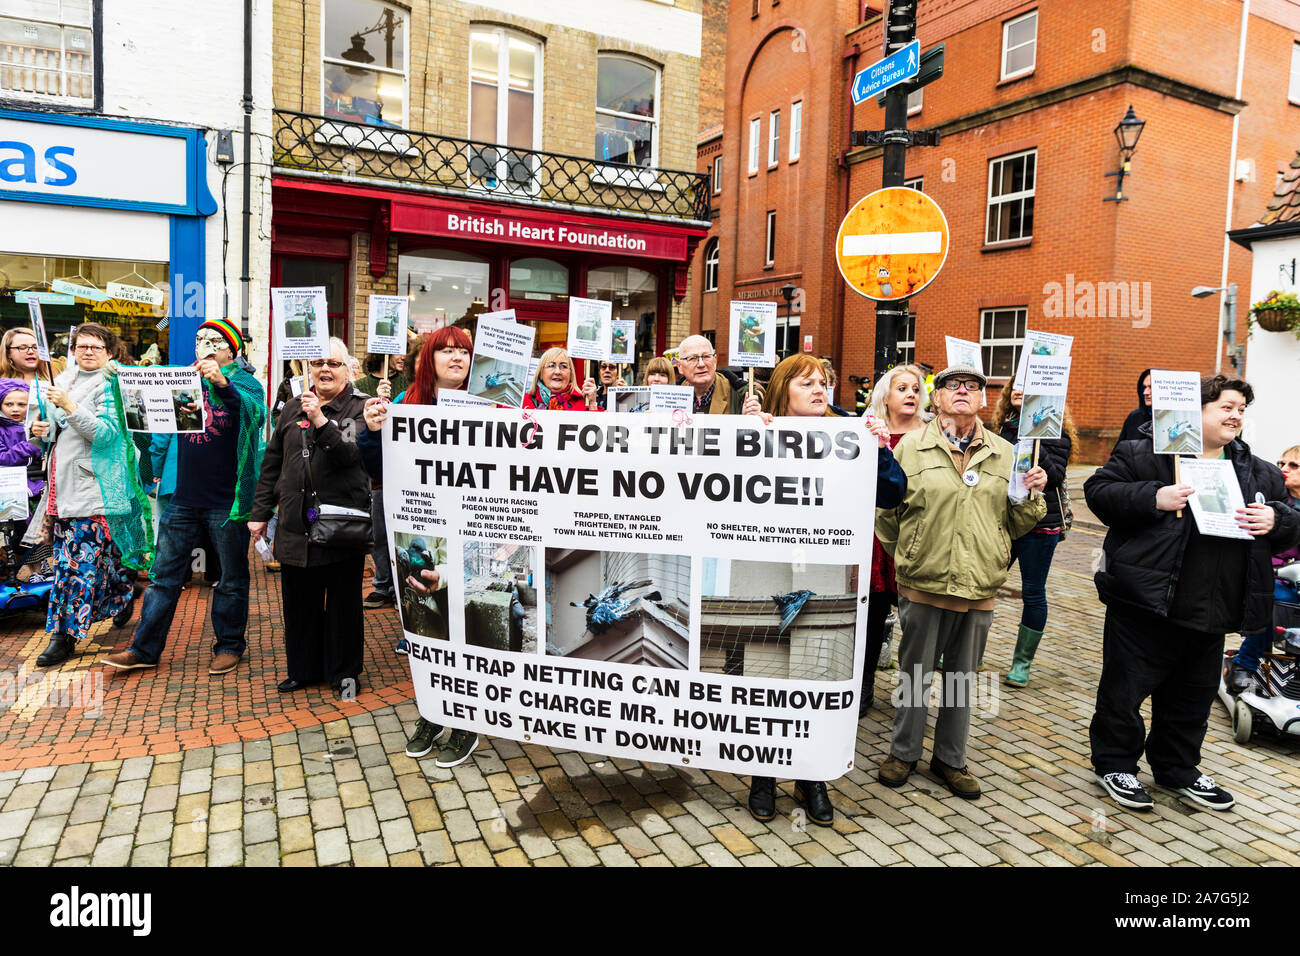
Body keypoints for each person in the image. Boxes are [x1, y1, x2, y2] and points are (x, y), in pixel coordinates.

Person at [1086, 375, 1300, 811]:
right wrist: (1154, 496)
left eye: (1241, 408)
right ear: (1196, 412)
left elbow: (1290, 521)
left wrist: (1276, 520)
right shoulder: (1145, 454)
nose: (1236, 415)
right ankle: (1116, 765)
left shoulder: (1257, 470)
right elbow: (1099, 492)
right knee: (1124, 694)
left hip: (1214, 609)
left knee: (1192, 700)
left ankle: (1178, 768)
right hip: (1146, 604)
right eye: (1226, 406)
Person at [740, 354, 907, 826]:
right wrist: (746, 435)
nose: (820, 389)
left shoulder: (852, 434)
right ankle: (763, 775)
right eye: (807, 382)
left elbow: (893, 494)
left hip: (828, 571)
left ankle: (811, 777)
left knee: (818, 673)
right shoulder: (761, 430)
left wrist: (880, 452)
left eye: (824, 382)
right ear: (782, 390)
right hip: (770, 567)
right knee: (768, 671)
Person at [874, 365, 1047, 799]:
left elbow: (1018, 521)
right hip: (923, 581)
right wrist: (910, 555)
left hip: (978, 586)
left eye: (973, 387)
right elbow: (887, 515)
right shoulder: (911, 447)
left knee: (960, 678)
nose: (964, 392)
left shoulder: (1006, 453)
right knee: (914, 674)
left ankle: (950, 759)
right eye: (953, 386)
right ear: (938, 400)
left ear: (984, 399)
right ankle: (904, 752)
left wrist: (1032, 494)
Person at [104, 320, 267, 677]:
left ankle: (228, 645)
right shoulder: (182, 380)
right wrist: (121, 378)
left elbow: (253, 416)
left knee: (231, 578)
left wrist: (222, 383)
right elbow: (147, 414)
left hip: (228, 500)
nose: (204, 345)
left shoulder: (246, 383)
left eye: (214, 340)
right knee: (164, 576)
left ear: (231, 351)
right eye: (199, 340)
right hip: (184, 498)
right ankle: (144, 649)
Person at [360, 327, 483, 769]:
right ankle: (434, 710)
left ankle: (467, 718)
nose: (455, 358)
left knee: (466, 630)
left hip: (472, 535)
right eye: (446, 351)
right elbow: (378, 471)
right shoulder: (408, 406)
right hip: (423, 533)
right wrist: (373, 433)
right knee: (426, 630)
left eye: (463, 352)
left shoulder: (497, 406)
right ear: (428, 359)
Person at [248, 337, 372, 697]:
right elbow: (272, 463)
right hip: (294, 523)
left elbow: (351, 456)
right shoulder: (290, 408)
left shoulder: (359, 408)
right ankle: (304, 669)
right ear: (306, 369)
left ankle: (344, 671)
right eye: (317, 362)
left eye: (333, 363)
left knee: (343, 605)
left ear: (348, 369)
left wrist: (319, 419)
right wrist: (259, 514)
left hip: (339, 527)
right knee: (299, 603)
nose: (325, 369)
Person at [34, 323, 153, 667]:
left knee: (74, 567)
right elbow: (56, 433)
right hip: (61, 487)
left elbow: (105, 435)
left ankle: (63, 637)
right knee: (93, 564)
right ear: (72, 350)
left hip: (94, 487)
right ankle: (122, 593)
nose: (87, 351)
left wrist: (69, 406)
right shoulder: (65, 379)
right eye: (81, 346)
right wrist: (41, 430)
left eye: (96, 347)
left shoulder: (113, 384)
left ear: (110, 352)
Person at [990, 383, 1077, 687]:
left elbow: (1057, 474)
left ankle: (1021, 663)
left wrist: (1035, 435)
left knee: (1032, 592)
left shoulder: (1055, 432)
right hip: (1003, 520)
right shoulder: (1003, 428)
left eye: (1026, 386)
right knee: (984, 584)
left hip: (1041, 523)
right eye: (1015, 385)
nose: (1017, 389)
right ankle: (965, 649)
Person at [860, 364, 930, 712]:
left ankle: (913, 697)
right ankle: (864, 686)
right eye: (902, 388)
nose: (911, 395)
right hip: (875, 542)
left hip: (918, 541)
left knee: (917, 627)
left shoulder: (934, 436)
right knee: (870, 621)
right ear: (885, 396)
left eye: (915, 389)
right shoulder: (866, 431)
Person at [1226, 443, 1300, 692]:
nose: (1283, 469)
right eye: (1281, 463)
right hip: (1271, 574)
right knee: (1270, 599)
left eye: (1293, 465)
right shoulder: (1272, 500)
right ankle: (1244, 664)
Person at [676, 334, 745, 415]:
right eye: (692, 358)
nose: (701, 364)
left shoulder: (741, 397)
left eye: (706, 356)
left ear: (715, 361)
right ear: (679, 366)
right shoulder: (672, 398)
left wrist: (751, 418)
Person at [522, 348, 599, 411]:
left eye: (564, 366)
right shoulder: (522, 402)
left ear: (570, 374)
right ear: (541, 373)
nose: (557, 372)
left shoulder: (584, 405)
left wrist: (592, 404)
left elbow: (599, 428)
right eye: (551, 365)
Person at [1113, 368, 1151, 448]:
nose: (1145, 393)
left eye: (1151, 387)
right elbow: (1119, 452)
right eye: (1144, 387)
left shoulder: (1175, 421)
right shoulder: (1134, 417)